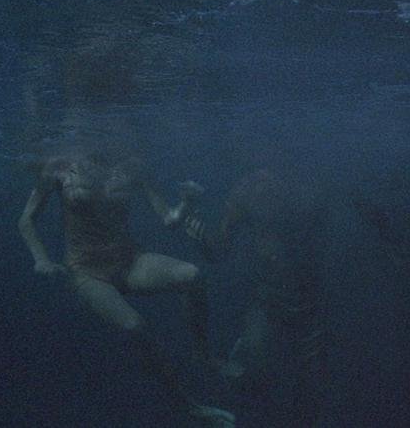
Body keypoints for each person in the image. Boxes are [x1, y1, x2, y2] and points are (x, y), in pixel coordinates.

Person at [17, 143, 234, 427]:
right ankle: (189, 407)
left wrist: (185, 203)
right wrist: (41, 259)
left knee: (192, 276)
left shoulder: (133, 166)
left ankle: (203, 356)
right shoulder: (58, 165)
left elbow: (168, 219)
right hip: (86, 271)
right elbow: (26, 220)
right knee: (134, 326)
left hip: (130, 260)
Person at [189, 169, 328, 427]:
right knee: (253, 365)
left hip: (309, 298)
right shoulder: (246, 190)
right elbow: (219, 250)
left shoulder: (308, 185)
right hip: (267, 296)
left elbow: (321, 240)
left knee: (310, 376)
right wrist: (200, 235)